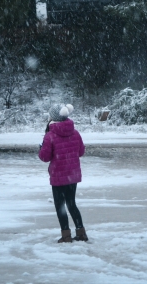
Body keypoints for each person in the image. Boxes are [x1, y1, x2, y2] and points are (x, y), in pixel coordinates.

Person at [39, 103, 88, 243]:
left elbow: (45, 157)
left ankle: (66, 235)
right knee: (72, 204)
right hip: (72, 175)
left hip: (58, 176)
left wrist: (41, 148)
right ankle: (81, 232)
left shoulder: (50, 135)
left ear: (52, 117)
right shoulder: (75, 132)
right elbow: (81, 152)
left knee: (60, 206)